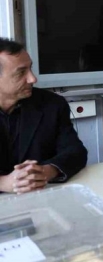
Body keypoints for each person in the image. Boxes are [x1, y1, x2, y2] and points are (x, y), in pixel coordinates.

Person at [0, 38, 87, 194]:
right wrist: (3, 183)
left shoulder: (52, 104)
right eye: (21, 72)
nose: (33, 78)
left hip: (43, 195)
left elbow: (75, 151)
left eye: (30, 68)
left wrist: (47, 171)